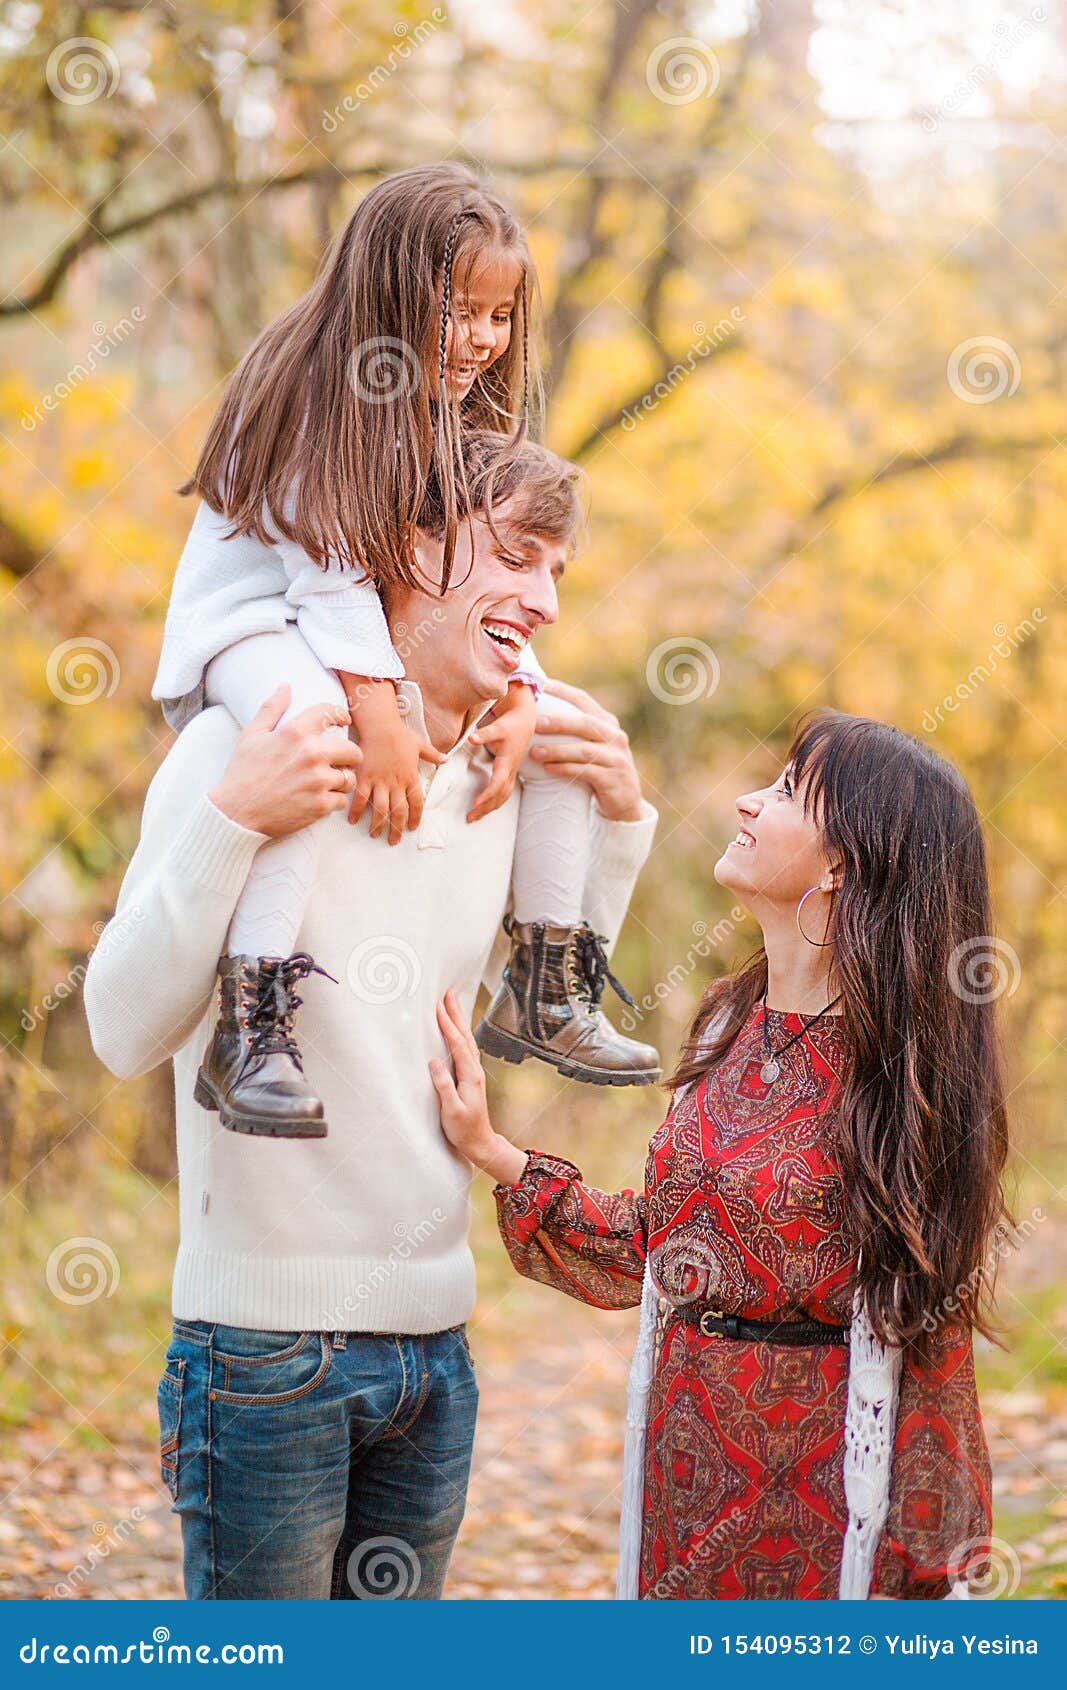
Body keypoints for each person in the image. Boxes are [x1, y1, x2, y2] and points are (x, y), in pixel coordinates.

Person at [83, 432, 659, 1600]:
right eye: (514, 559)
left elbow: (530, 1010)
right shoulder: (248, 744)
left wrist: (622, 818)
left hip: (435, 1346)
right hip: (261, 1353)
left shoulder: (500, 773)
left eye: (557, 572)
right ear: (408, 543)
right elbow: (116, 1029)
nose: (543, 602)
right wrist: (231, 820)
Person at [431, 710, 1008, 1600]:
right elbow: (660, 1250)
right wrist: (492, 1149)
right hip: (684, 1458)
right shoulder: (725, 1020)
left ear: (841, 862)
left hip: (818, 1494)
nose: (745, 801)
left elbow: (928, 1330)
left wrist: (928, 1576)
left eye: (783, 793)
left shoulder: (899, 1071)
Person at [152, 163, 659, 1141]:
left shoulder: (441, 401)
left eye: (498, 315)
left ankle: (546, 985)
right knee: (318, 731)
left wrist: (517, 691)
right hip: (254, 626)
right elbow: (330, 578)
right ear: (387, 292)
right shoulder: (317, 384)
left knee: (555, 723)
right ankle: (249, 1022)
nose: (481, 339)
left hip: (353, 627)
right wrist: (379, 717)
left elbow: (445, 567)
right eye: (455, 310)